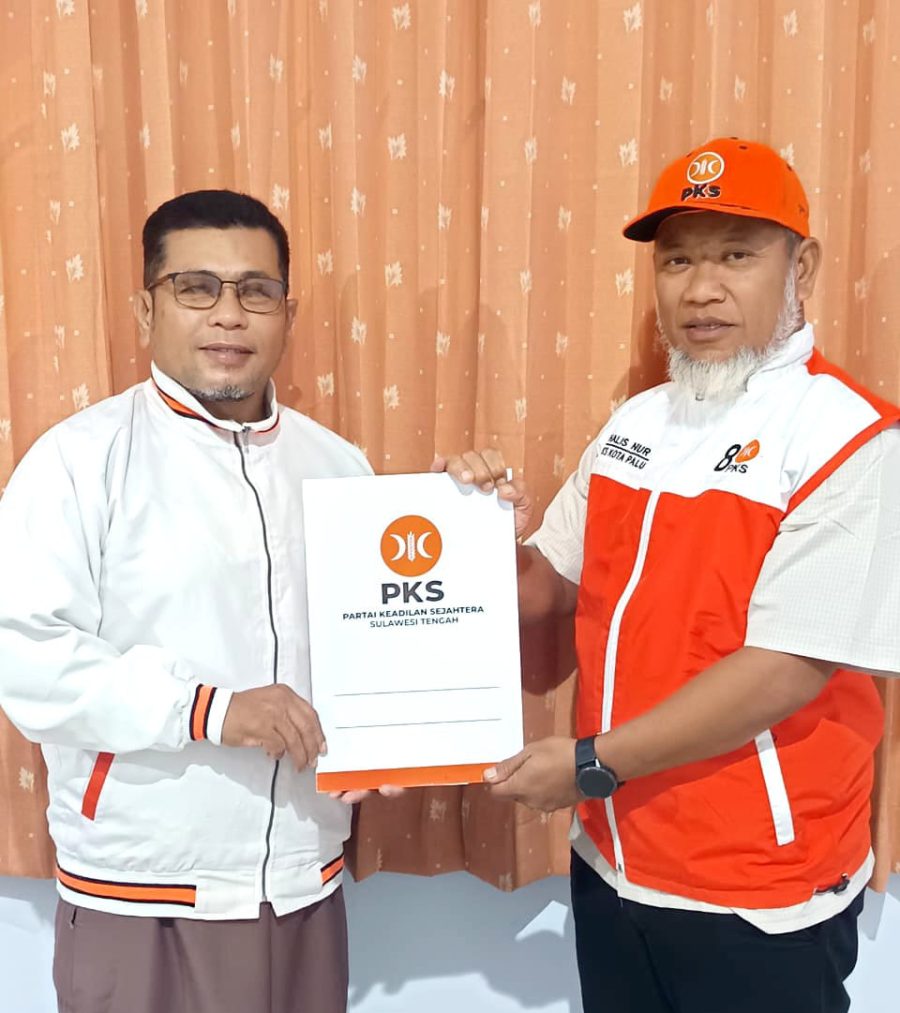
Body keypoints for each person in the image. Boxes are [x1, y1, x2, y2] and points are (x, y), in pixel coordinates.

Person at [441, 138, 900, 1013]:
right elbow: (551, 586)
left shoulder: (849, 437)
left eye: (736, 254)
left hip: (758, 889)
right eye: (678, 260)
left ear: (801, 266)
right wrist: (470, 530)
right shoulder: (637, 424)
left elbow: (787, 668)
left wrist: (589, 765)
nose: (700, 287)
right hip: (613, 858)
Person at [0, 190, 381, 1013]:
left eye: (256, 290)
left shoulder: (339, 467)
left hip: (301, 883)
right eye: (196, 287)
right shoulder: (77, 462)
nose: (228, 314)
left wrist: (390, 739)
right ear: (147, 309)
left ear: (288, 313)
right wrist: (212, 710)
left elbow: (374, 645)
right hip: (142, 890)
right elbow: (26, 658)